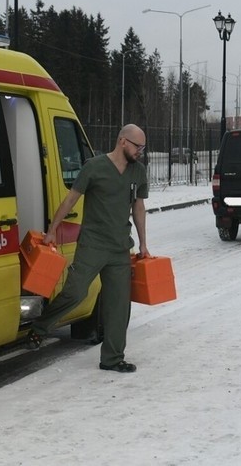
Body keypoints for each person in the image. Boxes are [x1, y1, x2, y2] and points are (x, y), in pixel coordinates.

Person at [25, 124, 151, 373]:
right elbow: (71, 198)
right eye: (138, 147)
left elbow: (138, 207)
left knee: (118, 305)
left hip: (119, 248)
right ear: (123, 141)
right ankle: (40, 327)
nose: (141, 152)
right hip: (93, 244)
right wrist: (52, 231)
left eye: (143, 148)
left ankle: (112, 359)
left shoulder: (138, 171)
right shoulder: (94, 167)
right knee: (75, 291)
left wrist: (144, 242)